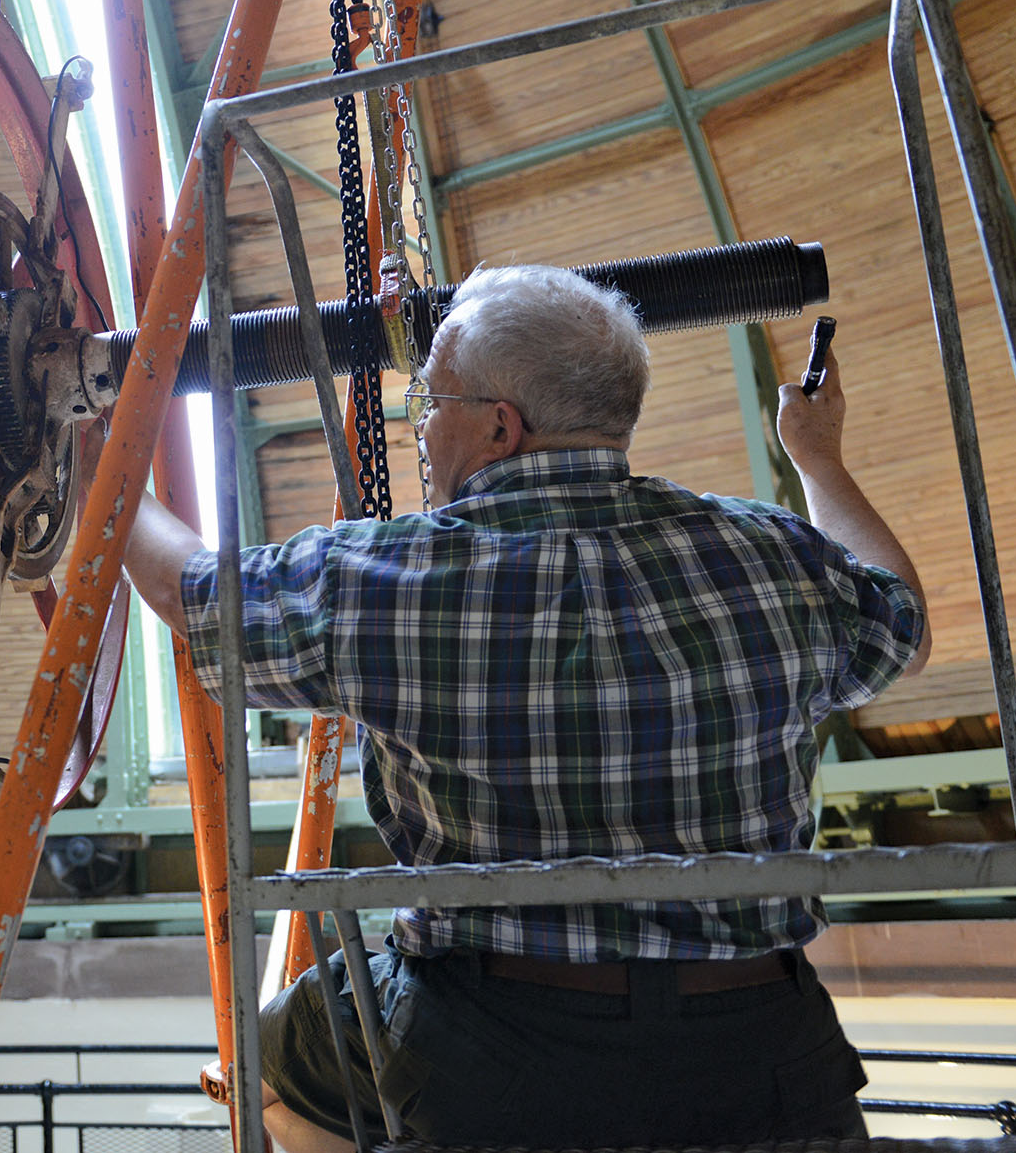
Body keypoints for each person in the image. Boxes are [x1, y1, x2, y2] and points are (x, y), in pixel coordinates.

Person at [121, 264, 928, 1150]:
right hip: (765, 1053)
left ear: (500, 426)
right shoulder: (774, 555)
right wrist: (817, 458)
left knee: (272, 1057)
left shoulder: (388, 579)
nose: (421, 428)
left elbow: (191, 591)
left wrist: (102, 457)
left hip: (491, 1057)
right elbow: (905, 623)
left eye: (432, 400)